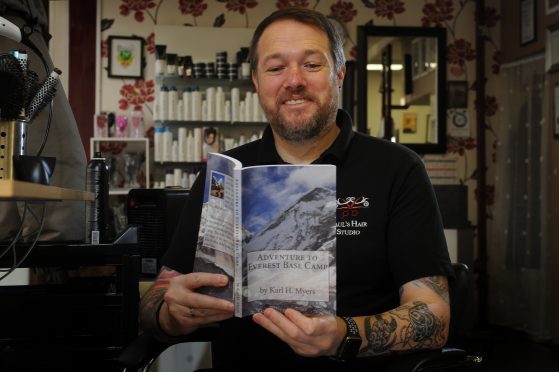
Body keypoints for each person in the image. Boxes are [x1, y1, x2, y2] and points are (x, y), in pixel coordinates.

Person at [139, 7, 454, 371]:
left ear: (339, 73)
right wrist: (170, 314)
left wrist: (344, 334)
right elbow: (155, 302)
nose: (293, 81)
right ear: (256, 81)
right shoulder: (222, 177)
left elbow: (434, 316)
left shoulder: (397, 169)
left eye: (311, 64)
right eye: (275, 68)